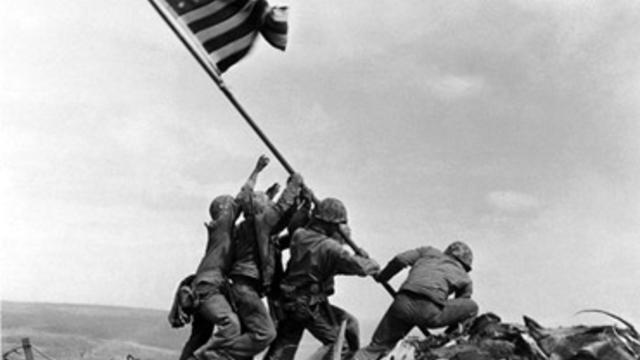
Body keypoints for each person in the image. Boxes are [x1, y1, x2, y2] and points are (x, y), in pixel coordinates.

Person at [197, 165, 305, 360]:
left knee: (251, 335)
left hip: (244, 288)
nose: (270, 205)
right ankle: (216, 356)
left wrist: (300, 203)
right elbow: (280, 211)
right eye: (267, 204)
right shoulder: (260, 223)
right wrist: (294, 183)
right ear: (261, 209)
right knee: (266, 333)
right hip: (245, 289)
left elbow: (282, 219)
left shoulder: (250, 228)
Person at [170, 155, 270, 360]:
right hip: (209, 288)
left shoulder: (224, 232)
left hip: (206, 287)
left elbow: (248, 206)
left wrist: (267, 196)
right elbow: (243, 197)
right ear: (224, 210)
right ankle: (203, 358)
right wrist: (256, 171)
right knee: (230, 324)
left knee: (200, 335)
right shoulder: (223, 226)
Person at [263, 198, 380, 360]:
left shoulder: (299, 235)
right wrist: (370, 262)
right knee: (339, 345)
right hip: (307, 305)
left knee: (284, 349)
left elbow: (331, 264)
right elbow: (360, 267)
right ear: (332, 224)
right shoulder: (330, 248)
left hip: (291, 301)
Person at [353, 241, 479, 360]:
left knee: (376, 348)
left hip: (402, 304)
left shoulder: (428, 252)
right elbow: (461, 307)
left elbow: (400, 260)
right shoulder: (465, 278)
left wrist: (382, 277)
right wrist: (447, 335)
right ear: (465, 265)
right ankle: (446, 341)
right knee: (472, 307)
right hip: (429, 312)